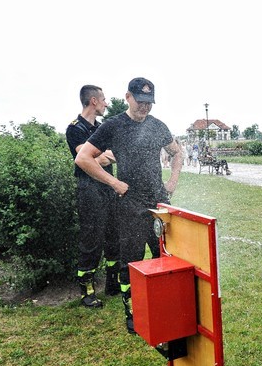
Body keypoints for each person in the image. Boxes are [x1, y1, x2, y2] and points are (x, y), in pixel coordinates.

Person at [75, 77, 184, 334]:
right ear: (127, 97)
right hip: (130, 202)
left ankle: (165, 305)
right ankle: (133, 311)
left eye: (149, 103)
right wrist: (113, 182)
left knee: (164, 256)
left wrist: (173, 181)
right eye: (140, 102)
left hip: (158, 201)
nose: (144, 107)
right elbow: (83, 158)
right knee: (132, 260)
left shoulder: (158, 126)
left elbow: (176, 152)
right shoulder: (113, 126)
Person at [65, 85, 120, 308]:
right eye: (104, 99)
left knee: (114, 236)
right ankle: (87, 291)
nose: (107, 103)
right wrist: (99, 157)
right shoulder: (74, 129)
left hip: (108, 187)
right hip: (88, 190)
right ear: (94, 101)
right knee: (91, 240)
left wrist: (99, 158)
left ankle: (113, 283)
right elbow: (85, 159)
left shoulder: (102, 128)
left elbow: (110, 157)